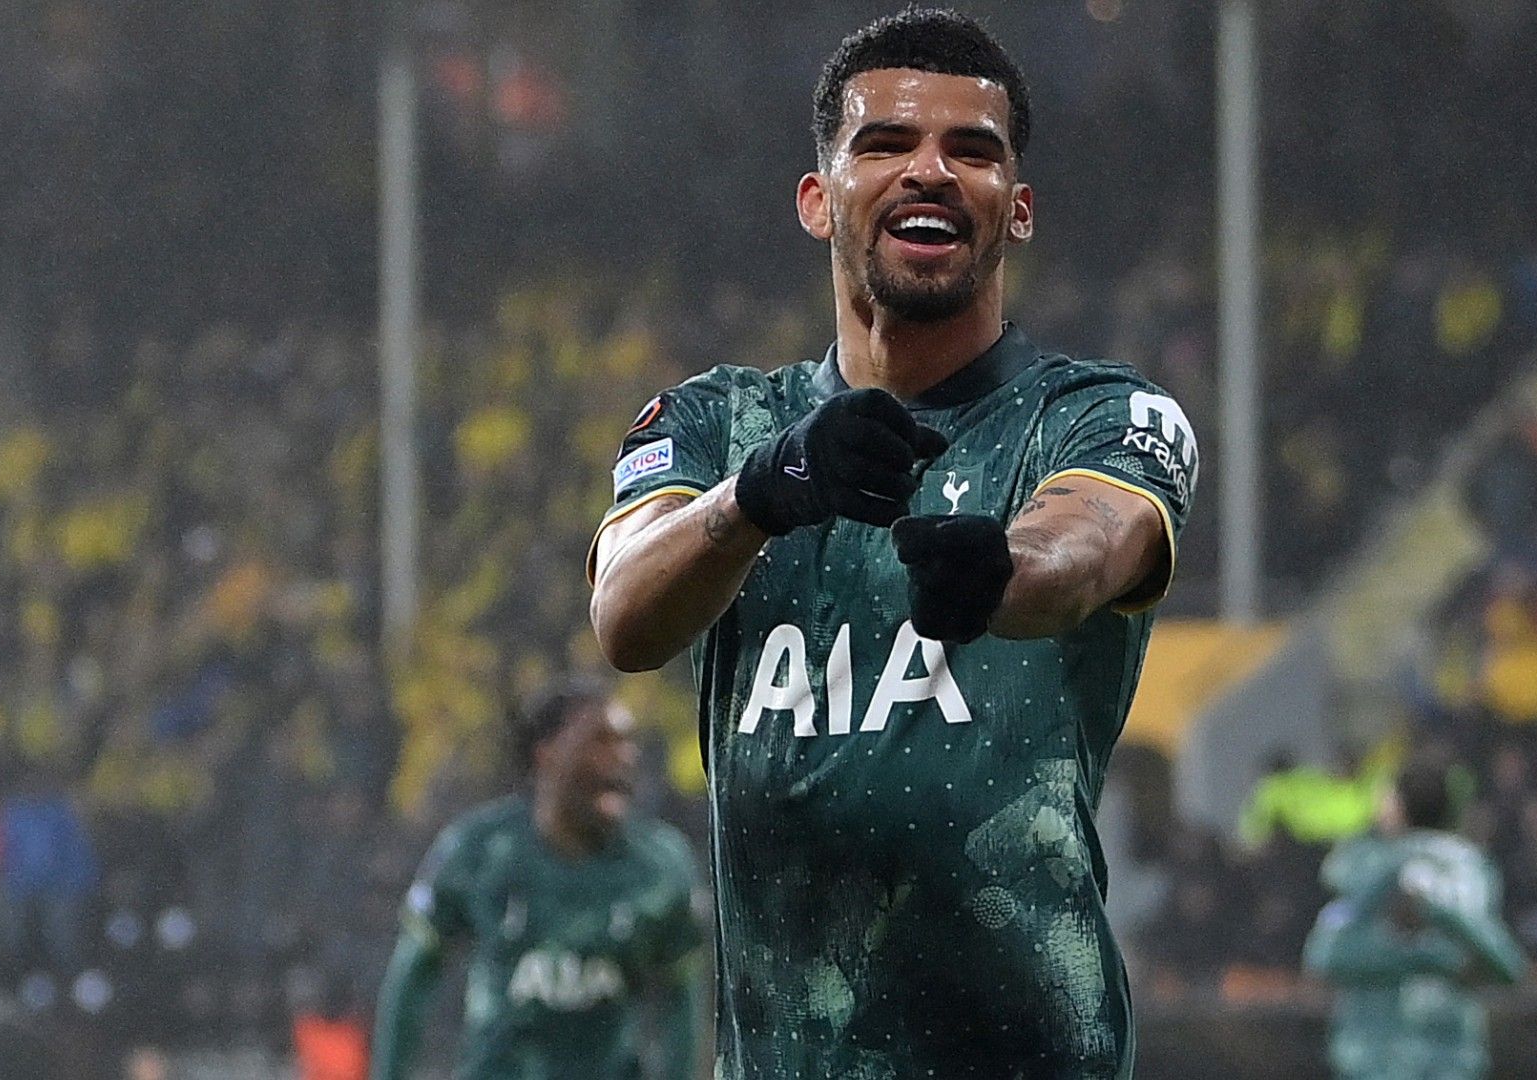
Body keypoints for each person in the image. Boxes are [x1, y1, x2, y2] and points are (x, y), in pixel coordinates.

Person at [587, 9, 1198, 1076]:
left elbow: (1091, 542)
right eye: (886, 145)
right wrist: (761, 494)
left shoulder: (1098, 413)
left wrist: (1002, 573)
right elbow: (625, 616)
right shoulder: (715, 425)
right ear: (818, 202)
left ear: (1018, 212)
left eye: (973, 151)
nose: (931, 170)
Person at [372, 678, 704, 1080]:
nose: (624, 756)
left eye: (627, 741)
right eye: (600, 741)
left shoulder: (659, 865)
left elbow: (682, 1001)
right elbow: (414, 973)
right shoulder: (479, 851)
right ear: (546, 754)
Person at [1303, 750, 1528, 1080]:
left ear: (1397, 806)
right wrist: (1440, 960)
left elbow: (1324, 956)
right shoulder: (1471, 868)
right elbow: (1505, 964)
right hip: (1451, 1059)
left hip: (1375, 1059)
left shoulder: (1364, 865)